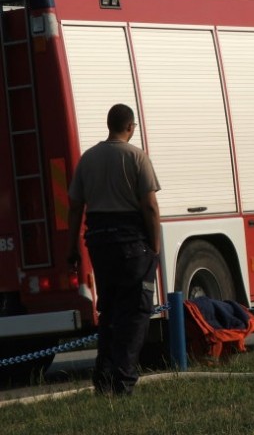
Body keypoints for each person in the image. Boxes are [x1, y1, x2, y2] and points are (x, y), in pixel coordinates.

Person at [67, 103, 161, 396]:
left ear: (109, 125)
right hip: (132, 245)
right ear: (130, 127)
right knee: (134, 314)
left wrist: (73, 248)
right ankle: (123, 383)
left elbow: (74, 207)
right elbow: (149, 205)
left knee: (108, 311)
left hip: (99, 244)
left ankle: (103, 380)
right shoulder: (136, 157)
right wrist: (154, 248)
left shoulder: (88, 159)